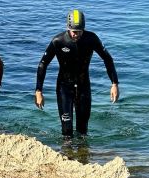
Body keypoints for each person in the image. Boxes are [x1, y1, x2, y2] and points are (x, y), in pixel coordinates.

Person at [34, 9, 119, 137]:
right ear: (68, 28)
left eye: (79, 32)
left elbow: (107, 58)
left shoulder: (91, 39)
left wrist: (114, 83)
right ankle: (66, 155)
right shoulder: (58, 41)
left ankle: (83, 156)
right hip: (64, 88)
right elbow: (43, 64)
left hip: (83, 87)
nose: (76, 35)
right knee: (67, 132)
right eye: (74, 32)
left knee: (83, 130)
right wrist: (38, 91)